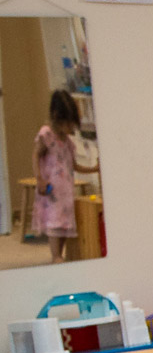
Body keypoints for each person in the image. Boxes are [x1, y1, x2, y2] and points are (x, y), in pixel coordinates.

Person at [31, 90, 99, 263]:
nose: (70, 128)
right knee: (55, 224)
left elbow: (74, 166)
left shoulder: (68, 142)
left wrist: (94, 169)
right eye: (68, 123)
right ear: (56, 117)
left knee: (63, 225)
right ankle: (56, 256)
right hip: (52, 191)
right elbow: (36, 155)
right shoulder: (46, 134)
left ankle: (59, 255)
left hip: (66, 192)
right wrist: (39, 178)